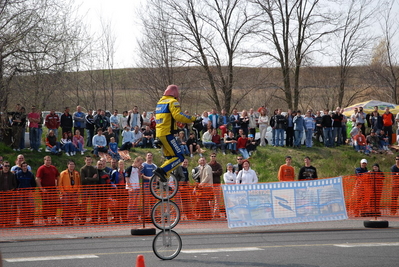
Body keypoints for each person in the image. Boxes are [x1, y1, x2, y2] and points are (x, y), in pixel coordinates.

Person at [153, 84, 200, 182]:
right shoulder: (172, 102)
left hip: (159, 134)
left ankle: (162, 180)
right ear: (175, 93)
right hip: (167, 134)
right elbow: (178, 116)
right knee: (179, 157)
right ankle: (162, 171)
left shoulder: (160, 102)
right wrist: (193, 119)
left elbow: (167, 118)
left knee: (170, 158)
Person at [36, 156, 60, 225]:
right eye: (47, 160)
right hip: (45, 190)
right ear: (44, 161)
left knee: (54, 204)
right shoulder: (41, 168)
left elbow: (57, 177)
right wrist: (41, 188)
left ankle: (53, 219)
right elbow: (37, 179)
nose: (48, 161)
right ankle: (45, 220)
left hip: (53, 190)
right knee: (46, 205)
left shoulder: (53, 168)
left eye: (49, 160)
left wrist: (57, 186)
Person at [58, 160, 81, 225]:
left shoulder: (76, 173)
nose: (71, 166)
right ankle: (65, 220)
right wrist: (62, 192)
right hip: (66, 193)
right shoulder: (63, 173)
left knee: (73, 207)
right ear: (67, 165)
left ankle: (71, 220)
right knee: (66, 207)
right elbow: (60, 184)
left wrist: (78, 191)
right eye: (70, 164)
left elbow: (79, 183)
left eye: (73, 164)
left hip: (74, 193)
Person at [15, 161, 36, 226]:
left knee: (31, 206)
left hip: (28, 192)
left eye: (26, 166)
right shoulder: (17, 174)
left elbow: (33, 183)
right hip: (20, 192)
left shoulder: (30, 174)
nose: (25, 167)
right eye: (23, 166)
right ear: (21, 167)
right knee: (21, 207)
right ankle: (22, 221)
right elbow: (15, 183)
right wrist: (17, 190)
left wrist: (32, 190)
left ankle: (30, 221)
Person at [80, 156, 100, 224]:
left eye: (90, 160)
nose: (88, 161)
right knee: (84, 205)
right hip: (85, 189)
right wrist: (91, 178)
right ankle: (83, 219)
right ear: (85, 160)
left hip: (93, 189)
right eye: (87, 160)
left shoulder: (94, 168)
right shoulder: (82, 169)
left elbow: (97, 179)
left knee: (94, 204)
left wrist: (87, 178)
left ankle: (94, 219)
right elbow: (82, 180)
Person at [125, 156, 144, 221]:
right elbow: (127, 178)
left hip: (137, 188)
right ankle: (130, 217)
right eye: (140, 163)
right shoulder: (129, 168)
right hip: (132, 188)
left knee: (136, 203)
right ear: (136, 162)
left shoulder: (137, 169)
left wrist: (139, 170)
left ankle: (135, 216)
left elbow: (138, 178)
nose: (140, 165)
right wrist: (130, 187)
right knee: (131, 203)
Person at [141, 152, 157, 221]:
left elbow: (157, 176)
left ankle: (153, 215)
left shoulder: (154, 166)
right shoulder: (143, 165)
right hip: (146, 186)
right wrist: (149, 178)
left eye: (151, 155)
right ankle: (145, 215)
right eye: (148, 155)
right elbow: (141, 175)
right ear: (146, 157)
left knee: (153, 201)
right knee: (146, 201)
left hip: (153, 187)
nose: (149, 156)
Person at [0, 161, 17, 227]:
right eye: (5, 166)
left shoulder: (12, 175)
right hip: (1, 194)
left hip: (9, 194)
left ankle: (7, 222)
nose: (7, 167)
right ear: (2, 166)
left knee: (8, 209)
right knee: (1, 209)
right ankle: (1, 222)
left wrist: (11, 190)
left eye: (8, 166)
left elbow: (14, 184)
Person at [95, 159, 112, 224]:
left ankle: (104, 218)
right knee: (96, 207)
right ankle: (95, 219)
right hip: (96, 193)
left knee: (104, 206)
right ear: (96, 165)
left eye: (101, 164)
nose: (100, 166)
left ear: (103, 165)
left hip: (104, 193)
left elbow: (109, 184)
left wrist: (108, 193)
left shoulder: (105, 174)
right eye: (99, 164)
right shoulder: (94, 173)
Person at [209, 153, 223, 218]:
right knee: (210, 200)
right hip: (210, 185)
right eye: (212, 156)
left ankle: (216, 213)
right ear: (210, 157)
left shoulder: (218, 165)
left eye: (214, 156)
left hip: (217, 184)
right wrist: (215, 172)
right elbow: (208, 173)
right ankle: (211, 213)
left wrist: (213, 172)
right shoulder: (208, 165)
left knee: (217, 200)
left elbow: (220, 172)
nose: (213, 157)